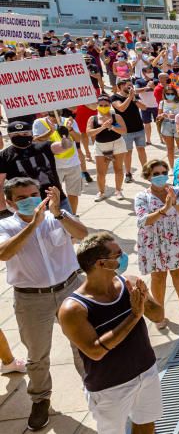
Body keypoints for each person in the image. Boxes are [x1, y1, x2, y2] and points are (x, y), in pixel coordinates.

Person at [0, 179, 87, 431]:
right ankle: (40, 399)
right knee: (37, 355)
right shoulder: (6, 225)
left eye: (34, 194)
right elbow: (4, 253)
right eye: (22, 197)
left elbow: (82, 234)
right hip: (31, 299)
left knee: (83, 343)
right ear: (9, 202)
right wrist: (32, 225)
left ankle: (94, 385)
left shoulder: (56, 217)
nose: (30, 199)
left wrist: (59, 213)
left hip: (70, 288)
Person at [58, 233, 164, 434]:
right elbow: (95, 351)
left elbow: (159, 316)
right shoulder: (73, 309)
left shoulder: (130, 283)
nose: (124, 257)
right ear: (101, 263)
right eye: (119, 254)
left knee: (147, 425)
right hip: (110, 388)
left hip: (146, 372)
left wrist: (145, 300)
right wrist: (134, 316)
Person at [134, 159, 179, 329]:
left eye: (163, 173)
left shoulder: (178, 191)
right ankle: (159, 313)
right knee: (158, 277)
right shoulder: (141, 196)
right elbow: (142, 221)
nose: (160, 176)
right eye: (156, 174)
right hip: (153, 241)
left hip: (174, 238)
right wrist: (164, 208)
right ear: (148, 177)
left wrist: (174, 203)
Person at [0, 119, 71, 213]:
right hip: (27, 206)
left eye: (25, 134)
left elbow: (65, 146)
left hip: (57, 200)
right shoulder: (4, 156)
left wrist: (65, 136)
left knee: (69, 226)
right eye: (16, 135)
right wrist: (3, 209)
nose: (21, 137)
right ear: (9, 136)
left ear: (31, 134)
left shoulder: (44, 146)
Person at [32, 111, 84, 213]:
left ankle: (72, 216)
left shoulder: (69, 121)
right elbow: (35, 140)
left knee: (73, 194)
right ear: (48, 114)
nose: (55, 118)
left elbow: (78, 139)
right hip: (53, 166)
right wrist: (50, 132)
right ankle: (56, 217)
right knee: (54, 196)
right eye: (52, 116)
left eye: (57, 115)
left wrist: (70, 130)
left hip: (73, 164)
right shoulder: (39, 122)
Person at [111, 78, 148, 183]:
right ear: (120, 87)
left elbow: (144, 107)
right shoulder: (114, 97)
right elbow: (121, 108)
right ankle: (128, 173)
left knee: (141, 150)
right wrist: (130, 97)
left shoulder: (134, 96)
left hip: (139, 128)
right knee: (128, 153)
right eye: (127, 85)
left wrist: (134, 99)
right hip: (126, 131)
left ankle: (146, 170)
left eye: (130, 85)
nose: (129, 87)